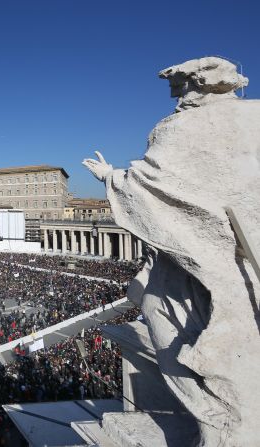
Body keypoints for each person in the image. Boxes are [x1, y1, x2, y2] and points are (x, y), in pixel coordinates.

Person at [83, 56, 260, 445]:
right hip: (244, 260)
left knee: (167, 327)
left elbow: (151, 190)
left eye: (177, 88)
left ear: (196, 84)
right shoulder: (256, 118)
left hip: (194, 262)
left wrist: (110, 177)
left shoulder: (178, 128)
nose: (174, 97)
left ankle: (218, 426)